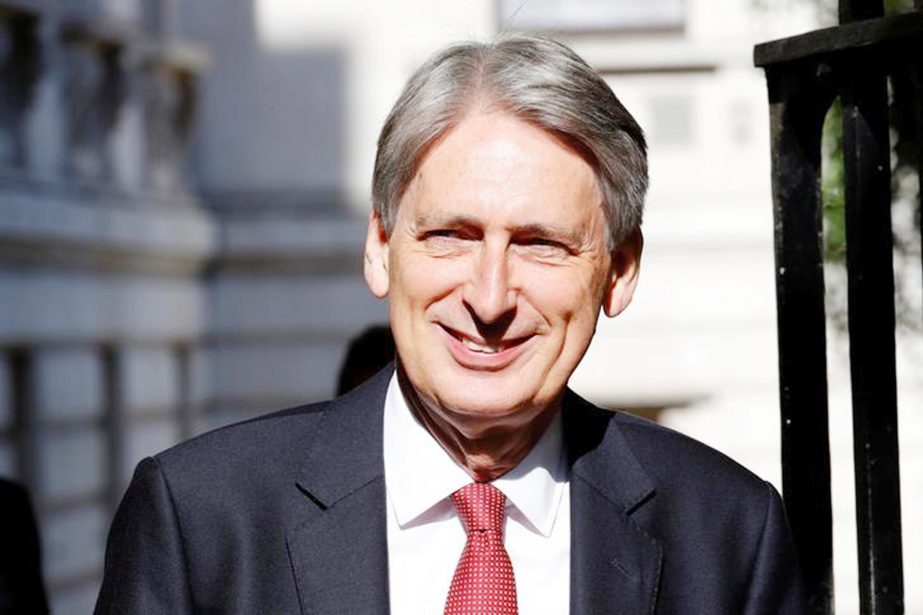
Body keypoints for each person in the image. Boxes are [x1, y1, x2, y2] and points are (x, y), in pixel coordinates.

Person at [95, 34, 806, 614]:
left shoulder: (725, 533)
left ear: (618, 271)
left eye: (539, 243)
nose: (489, 296)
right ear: (379, 248)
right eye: (451, 236)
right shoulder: (203, 519)